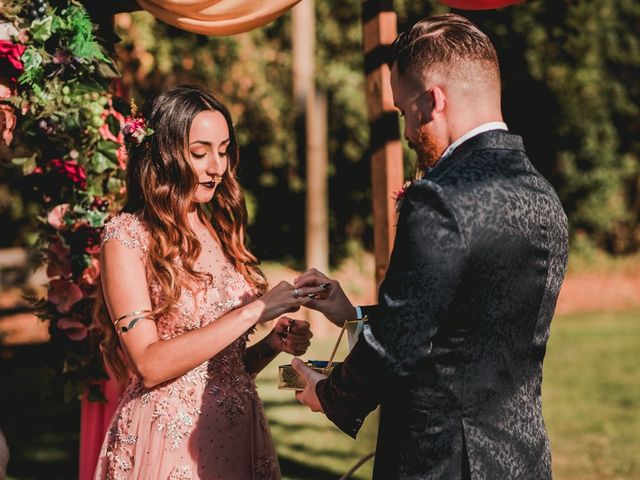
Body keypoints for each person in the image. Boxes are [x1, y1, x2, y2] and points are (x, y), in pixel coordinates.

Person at [292, 13, 569, 480]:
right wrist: (352, 316)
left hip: (440, 461)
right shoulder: (543, 193)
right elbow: (464, 325)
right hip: (522, 460)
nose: (405, 132)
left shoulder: (439, 195)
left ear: (433, 102)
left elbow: (399, 344)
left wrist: (328, 393)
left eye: (404, 112)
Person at [93, 85, 323, 479]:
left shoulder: (215, 227)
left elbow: (220, 372)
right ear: (164, 153)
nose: (217, 166)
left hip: (237, 436)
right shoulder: (127, 237)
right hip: (168, 443)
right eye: (200, 153)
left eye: (223, 149)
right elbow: (149, 363)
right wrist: (256, 309)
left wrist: (270, 346)